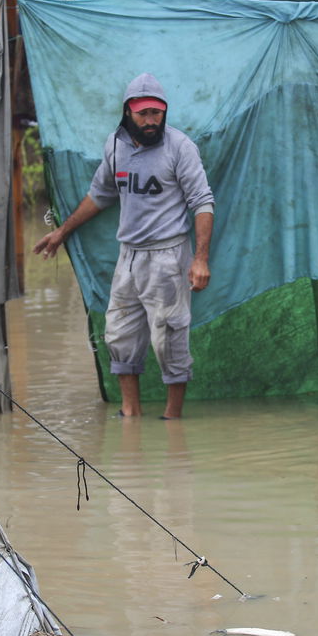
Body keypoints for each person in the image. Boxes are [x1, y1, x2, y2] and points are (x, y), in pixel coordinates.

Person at [32, 73, 215, 420]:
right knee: (119, 333)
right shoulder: (115, 146)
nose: (150, 121)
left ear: (164, 112)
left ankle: (173, 418)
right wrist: (62, 232)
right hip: (127, 256)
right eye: (143, 113)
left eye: (157, 113)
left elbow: (203, 201)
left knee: (170, 336)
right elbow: (99, 195)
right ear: (128, 112)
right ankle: (130, 414)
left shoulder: (179, 147)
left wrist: (201, 258)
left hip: (168, 255)